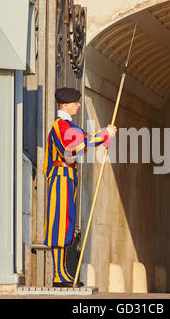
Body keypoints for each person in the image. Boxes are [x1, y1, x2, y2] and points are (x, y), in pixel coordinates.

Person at [43, 87, 117, 287]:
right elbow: (78, 144)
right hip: (60, 177)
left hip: (67, 177)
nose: (78, 105)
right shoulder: (61, 127)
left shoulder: (68, 126)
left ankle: (63, 271)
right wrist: (104, 135)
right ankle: (58, 274)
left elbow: (83, 139)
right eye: (75, 102)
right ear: (65, 104)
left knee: (67, 223)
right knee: (59, 223)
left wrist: (103, 138)